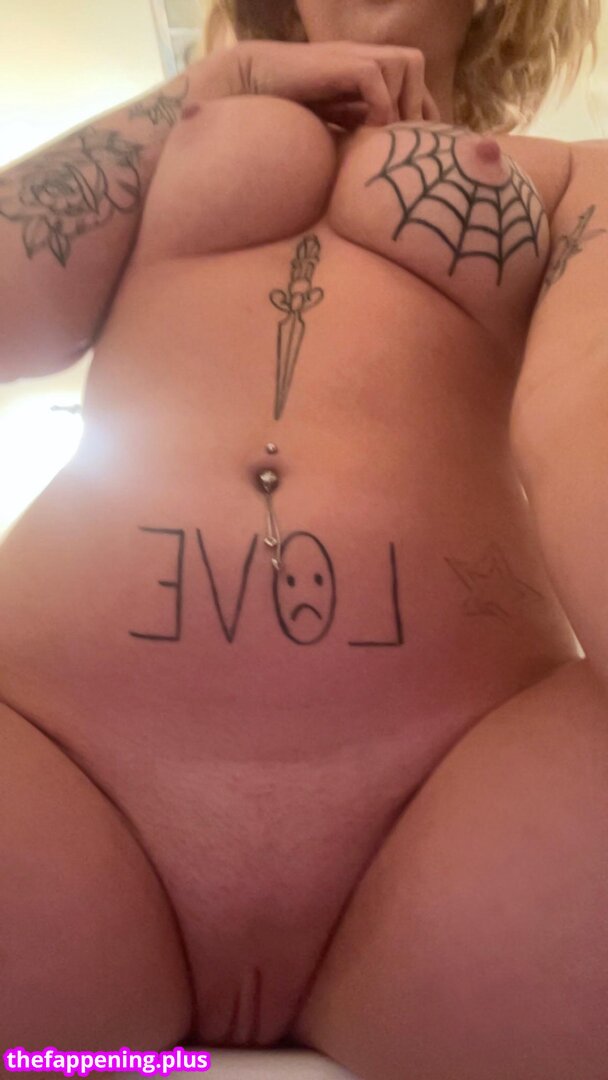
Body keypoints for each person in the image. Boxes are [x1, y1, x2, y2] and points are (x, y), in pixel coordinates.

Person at [0, 1, 606, 1077]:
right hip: (51, 759)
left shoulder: (572, 175)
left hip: (465, 807)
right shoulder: (175, 134)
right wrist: (196, 95)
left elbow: (588, 419)